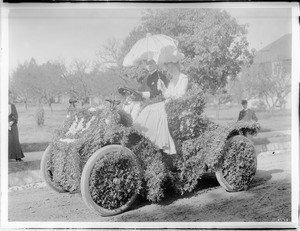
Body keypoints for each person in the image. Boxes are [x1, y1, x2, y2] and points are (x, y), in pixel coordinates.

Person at [134, 61, 188, 154]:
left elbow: (181, 95)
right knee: (148, 109)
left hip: (177, 104)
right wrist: (163, 88)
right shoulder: (172, 80)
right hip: (167, 102)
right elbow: (167, 95)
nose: (170, 69)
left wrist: (169, 95)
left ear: (177, 66)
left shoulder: (183, 78)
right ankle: (143, 135)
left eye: (172, 67)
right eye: (169, 67)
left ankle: (158, 141)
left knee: (156, 112)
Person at [8, 92, 25, 162]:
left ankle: (17, 156)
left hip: (13, 125)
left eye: (9, 97)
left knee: (14, 140)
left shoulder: (12, 106)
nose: (8, 98)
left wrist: (11, 122)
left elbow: (15, 115)